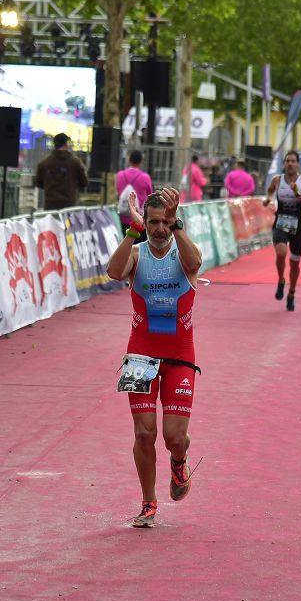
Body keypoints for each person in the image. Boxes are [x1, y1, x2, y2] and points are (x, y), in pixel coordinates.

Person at [105, 188, 203, 528]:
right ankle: (148, 501)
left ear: (173, 221)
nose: (159, 229)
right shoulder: (136, 252)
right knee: (144, 433)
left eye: (165, 222)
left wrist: (178, 227)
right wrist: (131, 232)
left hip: (179, 355)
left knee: (173, 436)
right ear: (143, 222)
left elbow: (195, 264)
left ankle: (179, 461)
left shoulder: (182, 250)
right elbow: (113, 272)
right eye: (153, 222)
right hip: (141, 354)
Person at [262, 151, 301, 312]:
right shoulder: (277, 180)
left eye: (293, 161)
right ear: (284, 164)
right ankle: (280, 280)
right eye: (287, 161)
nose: (290, 164)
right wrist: (268, 199)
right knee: (280, 252)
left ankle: (291, 292)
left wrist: (298, 195)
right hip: (280, 222)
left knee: (294, 263)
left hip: (298, 226)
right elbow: (270, 190)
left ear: (298, 164)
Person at [33, 132, 88, 210]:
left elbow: (38, 183)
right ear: (66, 144)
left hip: (50, 204)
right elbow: (84, 182)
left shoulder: (44, 163)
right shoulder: (76, 162)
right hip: (69, 204)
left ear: (54, 144)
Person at [115, 150, 153, 233]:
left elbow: (118, 191)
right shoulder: (145, 177)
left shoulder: (120, 175)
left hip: (123, 217)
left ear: (129, 159)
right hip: (139, 219)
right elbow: (150, 195)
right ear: (141, 161)